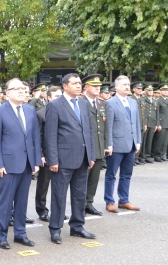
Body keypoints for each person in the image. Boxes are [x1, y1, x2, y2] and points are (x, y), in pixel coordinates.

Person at [45, 73, 96, 244]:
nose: (78, 86)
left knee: (80, 194)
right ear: (65, 86)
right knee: (59, 195)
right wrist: (52, 160)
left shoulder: (83, 103)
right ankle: (55, 229)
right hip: (63, 159)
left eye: (80, 83)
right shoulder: (55, 105)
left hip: (82, 158)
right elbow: (50, 135)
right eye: (74, 83)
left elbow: (88, 131)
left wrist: (91, 155)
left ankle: (77, 226)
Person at [0, 78, 41, 250]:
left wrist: (36, 161)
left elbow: (35, 137)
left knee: (22, 201)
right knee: (5, 202)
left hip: (27, 163)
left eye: (23, 88)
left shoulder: (30, 109)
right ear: (8, 93)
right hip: (8, 163)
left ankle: (20, 233)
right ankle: (1, 236)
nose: (22, 91)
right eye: (17, 88)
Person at [104, 75, 142, 214]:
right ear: (117, 87)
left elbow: (136, 123)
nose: (127, 87)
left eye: (128, 84)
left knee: (126, 174)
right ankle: (109, 201)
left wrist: (137, 141)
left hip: (131, 144)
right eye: (124, 84)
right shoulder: (111, 103)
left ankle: (124, 200)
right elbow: (109, 125)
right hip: (117, 144)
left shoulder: (132, 103)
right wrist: (109, 145)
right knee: (111, 174)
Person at [34, 86, 62, 222]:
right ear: (49, 98)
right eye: (56, 96)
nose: (59, 99)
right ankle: (42, 210)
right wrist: (40, 154)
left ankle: (58, 211)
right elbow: (38, 136)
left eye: (60, 96)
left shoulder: (65, 111)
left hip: (62, 153)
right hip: (46, 154)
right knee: (43, 185)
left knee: (60, 186)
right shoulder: (40, 114)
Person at [81, 75, 108, 216]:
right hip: (85, 147)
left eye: (99, 86)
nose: (98, 88)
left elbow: (104, 126)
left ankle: (89, 203)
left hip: (98, 146)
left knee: (94, 178)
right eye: (94, 85)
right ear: (86, 87)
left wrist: (106, 144)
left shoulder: (101, 103)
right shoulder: (80, 102)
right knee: (83, 178)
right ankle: (80, 205)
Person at [152, 84, 168, 162]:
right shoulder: (158, 100)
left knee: (165, 141)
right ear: (160, 91)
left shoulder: (167, 100)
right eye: (164, 90)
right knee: (159, 140)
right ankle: (157, 155)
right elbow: (157, 113)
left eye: (167, 90)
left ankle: (163, 154)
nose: (166, 92)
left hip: (167, 123)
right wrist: (158, 124)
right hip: (161, 123)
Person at [142, 84, 158, 163]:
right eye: (149, 90)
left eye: (152, 90)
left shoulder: (155, 100)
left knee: (149, 140)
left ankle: (147, 156)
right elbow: (143, 113)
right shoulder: (143, 99)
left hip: (152, 122)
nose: (151, 92)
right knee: (144, 140)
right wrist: (144, 123)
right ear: (145, 91)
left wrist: (156, 124)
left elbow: (156, 113)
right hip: (146, 122)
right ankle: (142, 156)